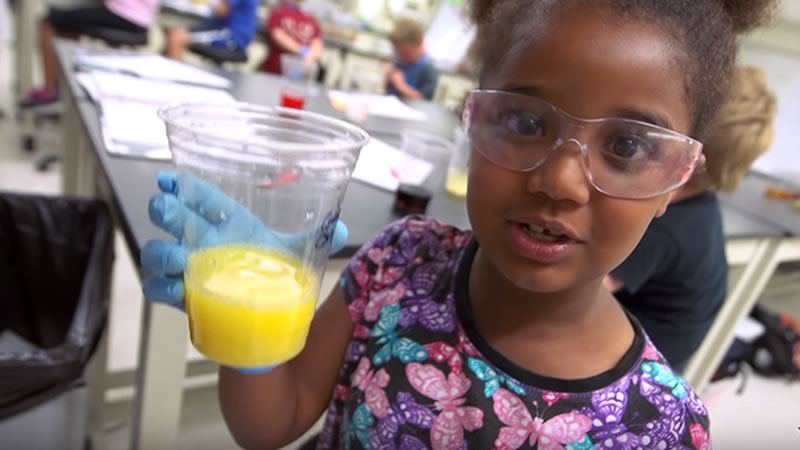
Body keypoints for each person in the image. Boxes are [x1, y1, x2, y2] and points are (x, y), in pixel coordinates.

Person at [141, 0, 778, 448]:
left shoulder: (658, 427)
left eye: (628, 146)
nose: (558, 181)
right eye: (528, 122)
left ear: (680, 179)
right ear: (472, 120)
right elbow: (268, 425)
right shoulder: (397, 264)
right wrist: (254, 326)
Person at [607, 66, 778, 372]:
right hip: (667, 357)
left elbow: (578, 287)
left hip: (638, 373)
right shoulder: (698, 204)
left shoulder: (662, 227)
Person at [18, 0, 159, 108]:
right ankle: (63, 89)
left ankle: (50, 92)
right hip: (141, 18)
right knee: (69, 25)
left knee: (49, 22)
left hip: (123, 14)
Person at [165, 0, 259, 61]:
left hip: (231, 37)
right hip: (220, 29)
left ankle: (173, 84)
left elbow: (221, 11)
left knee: (177, 38)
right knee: (177, 31)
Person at [260, 0, 324, 75]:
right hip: (276, 69)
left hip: (294, 70)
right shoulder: (278, 13)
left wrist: (307, 54)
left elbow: (317, 43)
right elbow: (278, 36)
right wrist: (304, 52)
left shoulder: (309, 18)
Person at [386, 18, 438, 101]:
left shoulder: (428, 69)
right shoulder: (401, 64)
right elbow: (388, 92)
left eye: (406, 53)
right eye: (398, 53)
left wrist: (400, 84)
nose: (401, 56)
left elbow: (424, 100)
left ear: (419, 43)